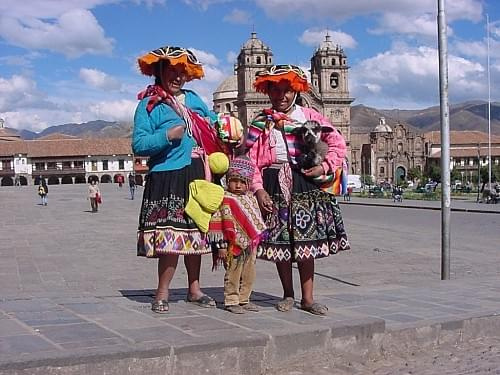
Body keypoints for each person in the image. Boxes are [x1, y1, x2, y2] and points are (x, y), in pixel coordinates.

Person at [246, 64, 350, 315]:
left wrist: (324, 166)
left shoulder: (309, 118)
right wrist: (258, 190)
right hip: (273, 182)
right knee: (281, 244)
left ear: (295, 91)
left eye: (286, 90)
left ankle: (308, 298)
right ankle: (288, 295)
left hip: (304, 182)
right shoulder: (261, 122)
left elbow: (337, 144)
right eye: (275, 90)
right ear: (268, 92)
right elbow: (250, 159)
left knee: (306, 242)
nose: (281, 96)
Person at [133, 45, 226, 313]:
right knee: (170, 237)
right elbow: (139, 143)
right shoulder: (149, 105)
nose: (177, 77)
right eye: (171, 71)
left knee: (195, 232)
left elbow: (212, 123)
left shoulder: (194, 99)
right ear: (159, 71)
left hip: (198, 173)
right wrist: (166, 137)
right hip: (168, 176)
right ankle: (162, 291)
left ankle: (194, 289)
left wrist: (225, 127)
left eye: (181, 72)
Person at [209, 156, 266, 314]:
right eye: (234, 180)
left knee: (249, 273)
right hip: (232, 244)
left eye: (242, 182)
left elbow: (255, 219)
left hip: (250, 246)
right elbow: (217, 222)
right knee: (233, 273)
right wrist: (221, 245)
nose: (238, 185)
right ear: (228, 180)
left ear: (248, 183)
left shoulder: (250, 199)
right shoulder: (225, 198)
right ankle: (231, 300)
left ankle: (244, 298)